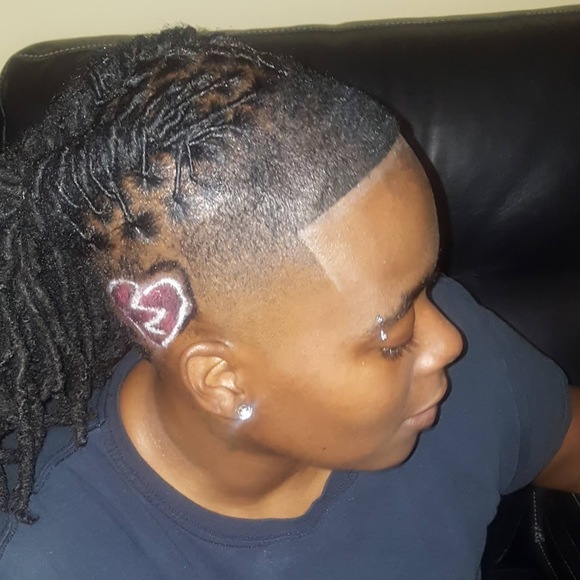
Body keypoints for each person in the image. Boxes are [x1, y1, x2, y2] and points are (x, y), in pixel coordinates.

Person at [0, 27, 576, 579]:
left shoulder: (457, 369)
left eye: (428, 283)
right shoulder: (50, 556)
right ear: (223, 382)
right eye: (393, 339)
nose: (450, 339)